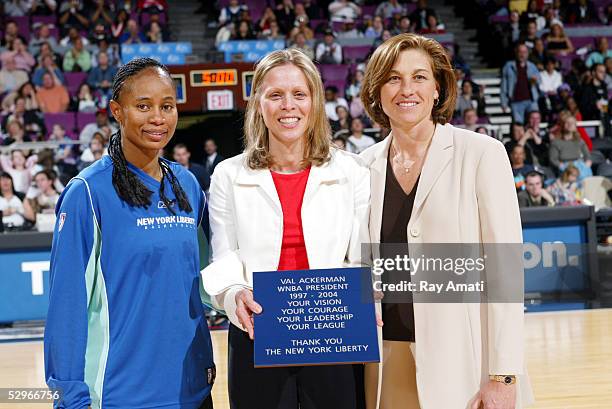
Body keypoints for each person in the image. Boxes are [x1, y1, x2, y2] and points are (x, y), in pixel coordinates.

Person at [359, 33, 533, 409]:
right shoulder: (360, 167)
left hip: (465, 362)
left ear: (438, 88)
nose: (407, 89)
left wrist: (503, 374)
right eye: (393, 78)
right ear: (377, 91)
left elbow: (505, 273)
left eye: (419, 77)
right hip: (386, 361)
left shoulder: (481, 154)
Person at [201, 48, 370, 409]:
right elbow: (224, 256)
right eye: (275, 95)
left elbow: (362, 255)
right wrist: (234, 294)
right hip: (257, 330)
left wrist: (363, 300)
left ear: (315, 101)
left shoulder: (351, 171)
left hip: (333, 332)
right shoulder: (228, 175)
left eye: (299, 94)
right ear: (258, 103)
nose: (287, 106)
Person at [44, 57, 215, 409]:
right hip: (121, 395)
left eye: (167, 106)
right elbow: (67, 305)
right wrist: (69, 396)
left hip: (193, 391)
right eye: (143, 106)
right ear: (117, 112)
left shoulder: (187, 185)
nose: (158, 117)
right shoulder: (87, 192)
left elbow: (205, 280)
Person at [501, 43, 541, 124]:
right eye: (520, 52)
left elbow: (539, 81)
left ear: (527, 53)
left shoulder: (532, 66)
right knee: (518, 125)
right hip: (516, 101)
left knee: (534, 123)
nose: (522, 54)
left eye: (524, 52)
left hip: (531, 100)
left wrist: (535, 81)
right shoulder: (509, 66)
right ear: (516, 53)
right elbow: (504, 86)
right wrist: (503, 102)